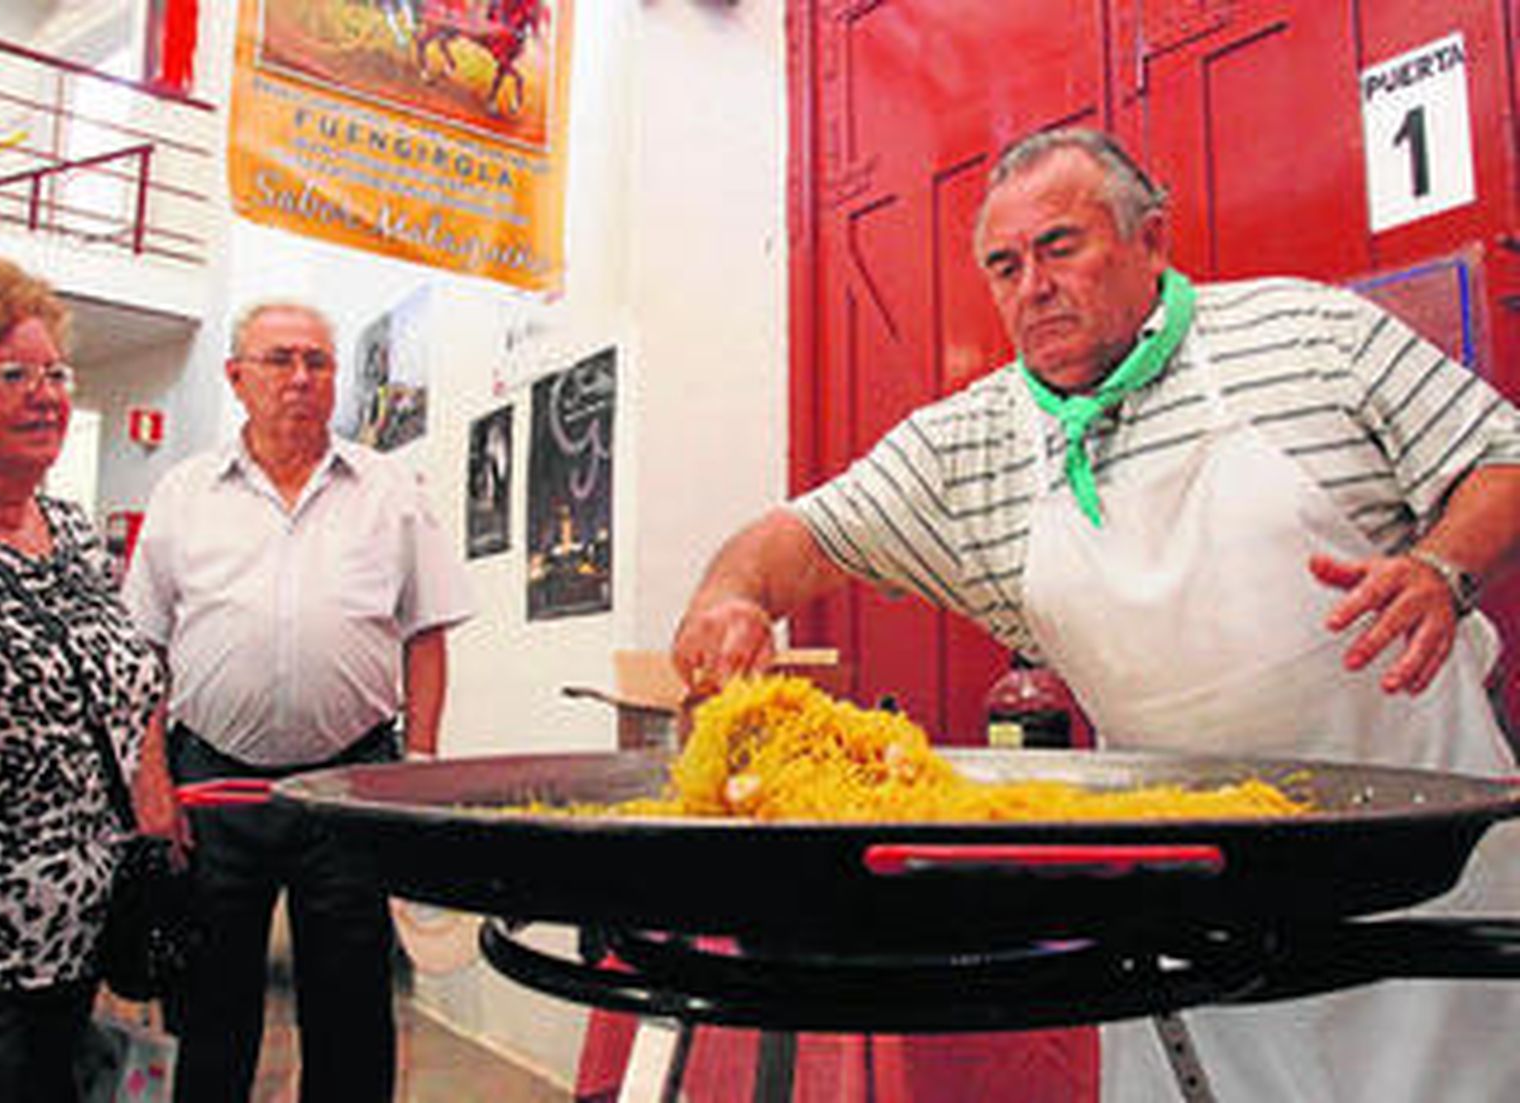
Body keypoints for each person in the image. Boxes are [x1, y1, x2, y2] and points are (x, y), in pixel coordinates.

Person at [672, 128, 1520, 1102]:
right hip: (1188, 900)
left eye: (1059, 246)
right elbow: (793, 539)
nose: (1030, 285)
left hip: (1421, 872)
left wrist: (1439, 567)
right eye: (1003, 264)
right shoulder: (971, 444)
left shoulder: (1309, 335)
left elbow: (1498, 454)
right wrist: (728, 597)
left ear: (1149, 239)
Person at [123, 301, 473, 1103]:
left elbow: (427, 634)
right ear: (235, 375)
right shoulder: (184, 493)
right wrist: (150, 778)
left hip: (350, 790)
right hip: (213, 784)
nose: (302, 378)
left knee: (351, 1012)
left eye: (318, 361)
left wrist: (417, 768)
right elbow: (141, 652)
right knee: (211, 1014)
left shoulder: (389, 489)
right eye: (279, 360)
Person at [0, 256, 166, 1102]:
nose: (47, 393)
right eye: (10, 374)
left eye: (55, 372)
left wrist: (149, 780)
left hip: (76, 946)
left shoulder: (67, 529)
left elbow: (125, 672)